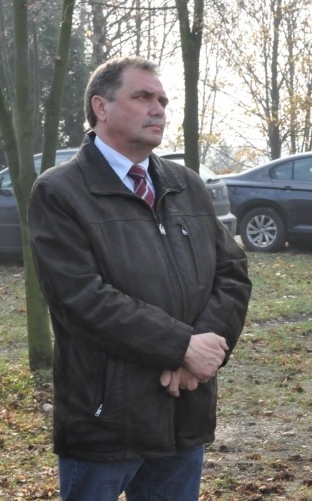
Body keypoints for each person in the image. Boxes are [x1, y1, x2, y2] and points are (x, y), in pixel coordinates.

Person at [28, 56, 252, 501]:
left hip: (183, 408)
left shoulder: (186, 184)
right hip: (106, 418)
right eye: (143, 97)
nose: (159, 109)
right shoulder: (60, 191)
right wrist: (181, 347)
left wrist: (201, 352)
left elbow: (231, 274)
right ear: (101, 107)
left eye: (163, 100)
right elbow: (81, 299)